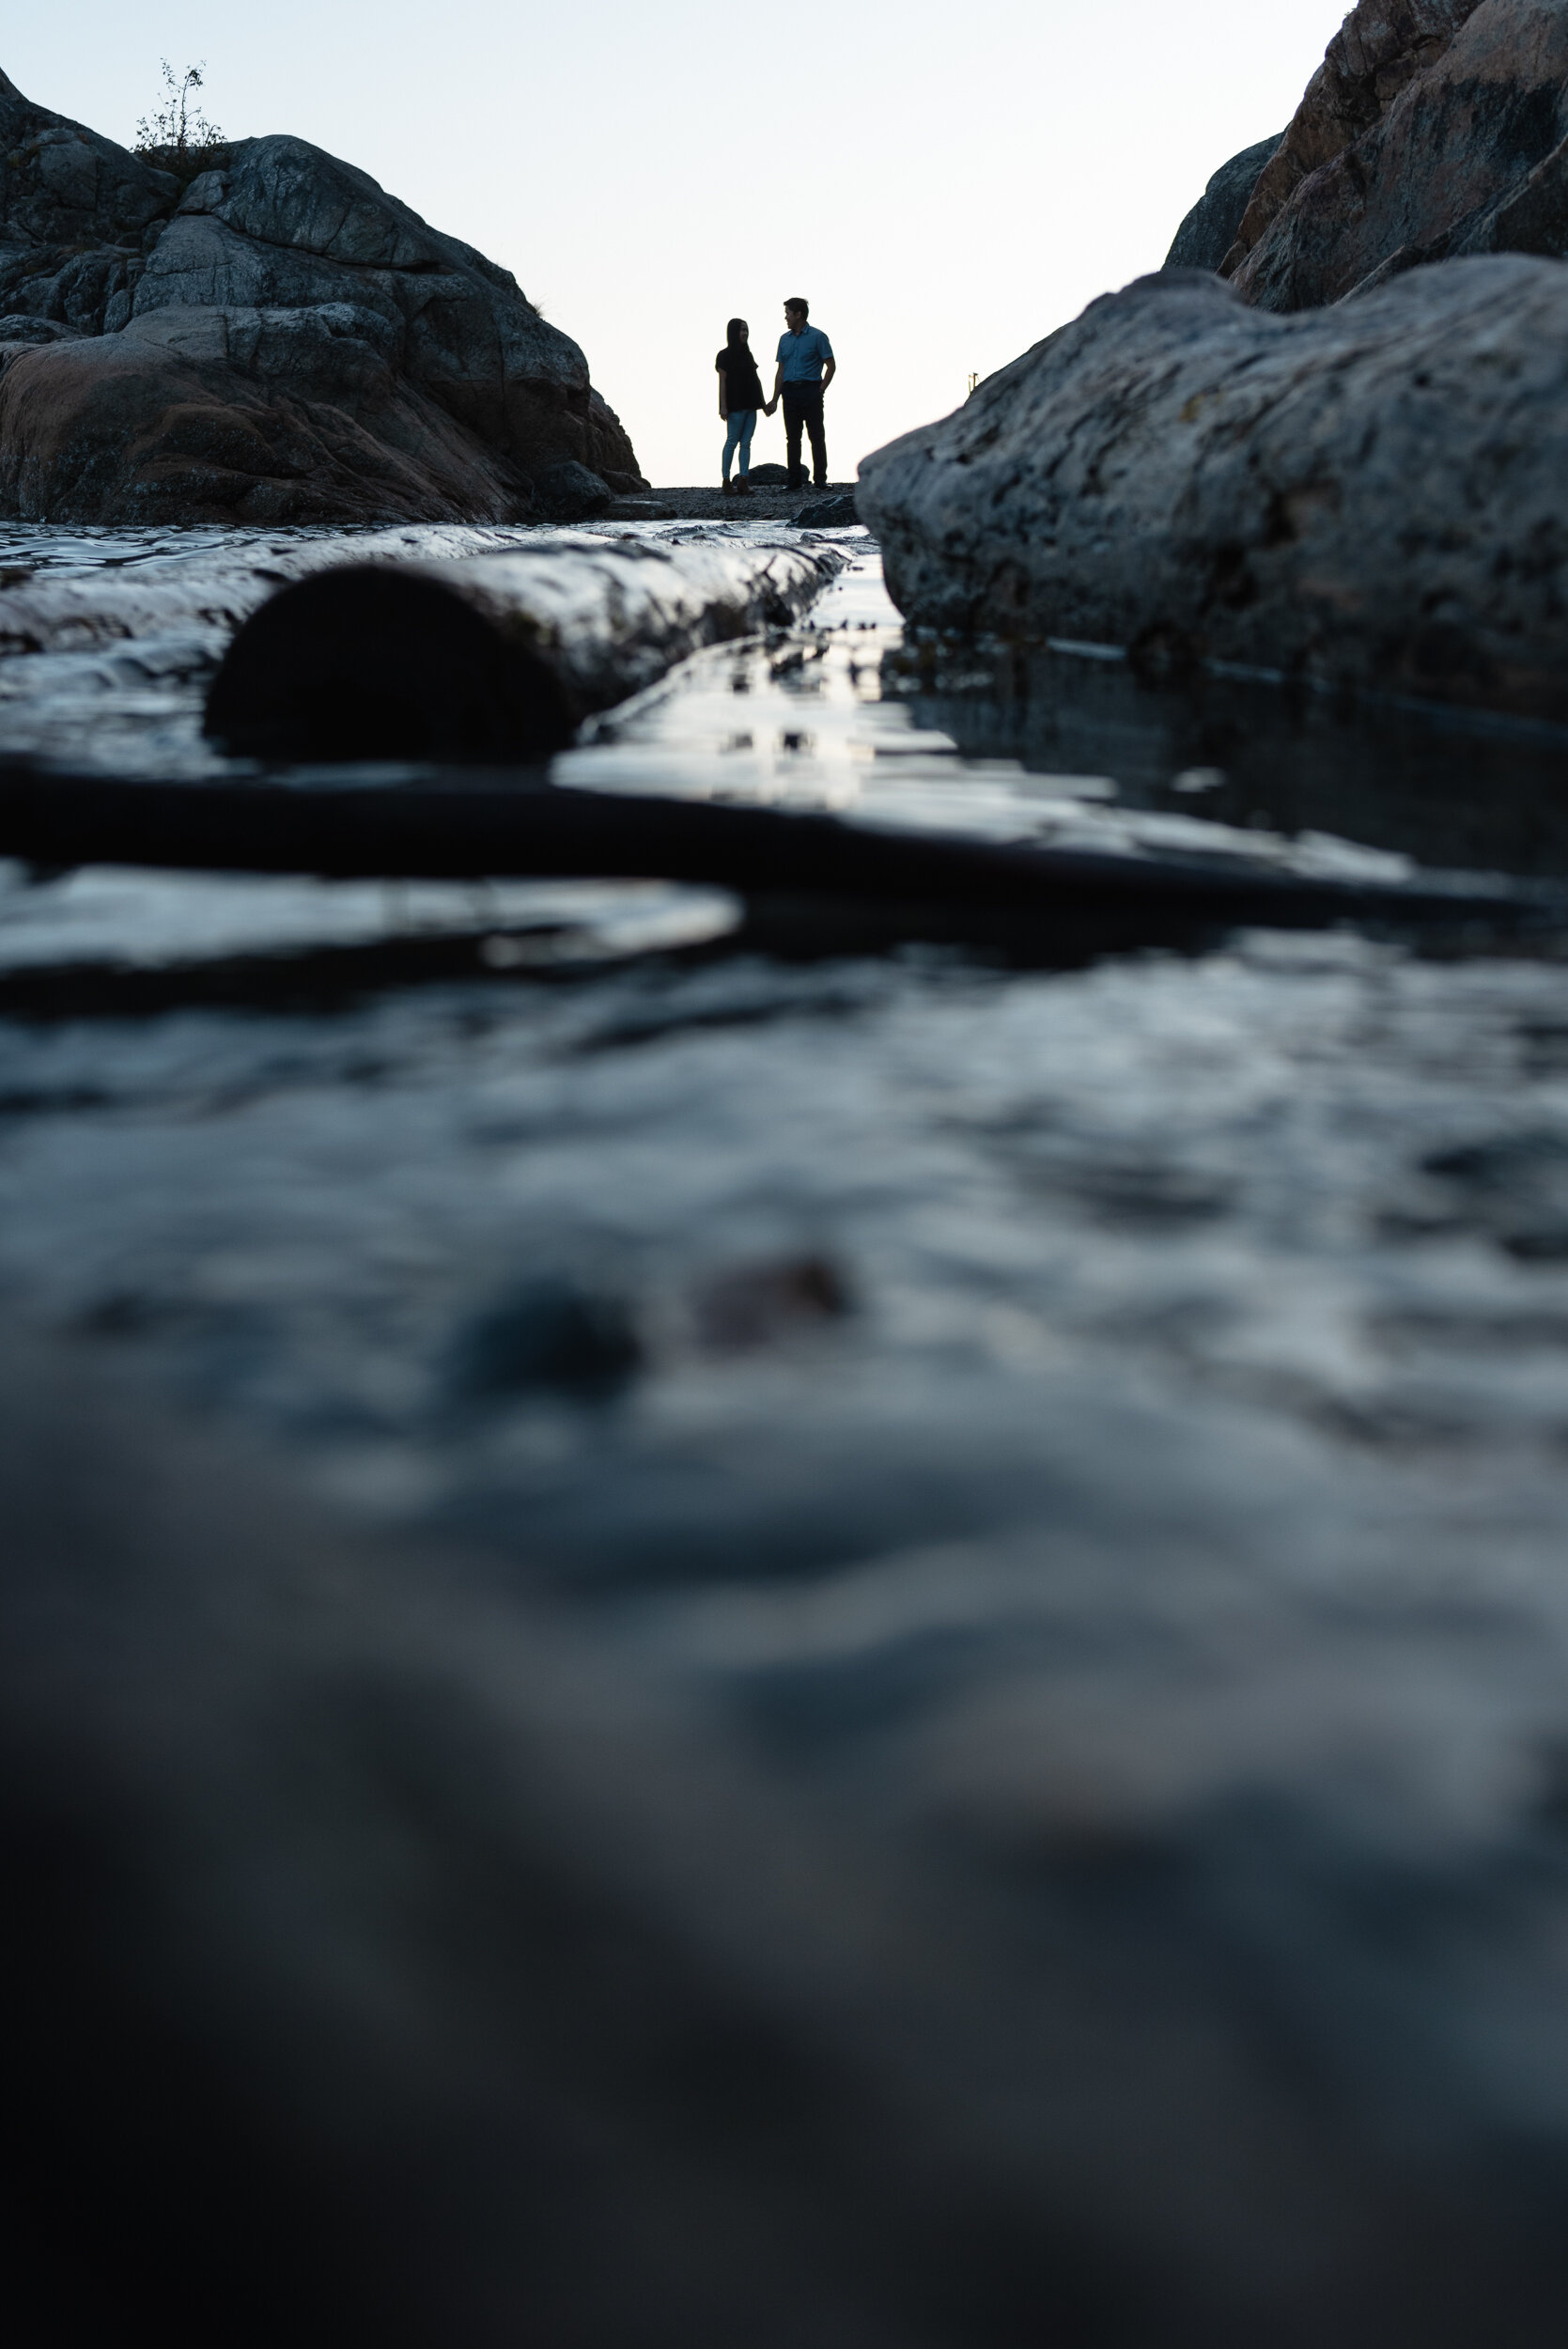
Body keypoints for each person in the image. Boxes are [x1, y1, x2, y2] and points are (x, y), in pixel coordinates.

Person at [768, 298, 835, 491]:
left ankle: (820, 479)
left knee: (816, 436)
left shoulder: (818, 337)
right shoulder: (784, 339)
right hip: (790, 392)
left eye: (788, 313)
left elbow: (831, 366)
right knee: (792, 438)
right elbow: (780, 371)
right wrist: (774, 398)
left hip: (811, 390)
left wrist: (820, 389)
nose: (785, 317)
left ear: (799, 314)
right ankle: (794, 480)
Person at [716, 319, 766, 494]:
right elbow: (722, 381)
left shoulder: (748, 355)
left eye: (746, 330)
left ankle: (743, 479)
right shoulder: (724, 355)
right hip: (735, 406)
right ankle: (726, 480)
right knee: (731, 442)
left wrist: (763, 403)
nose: (744, 333)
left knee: (746, 443)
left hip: (751, 405)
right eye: (741, 330)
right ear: (733, 332)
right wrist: (722, 406)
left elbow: (755, 381)